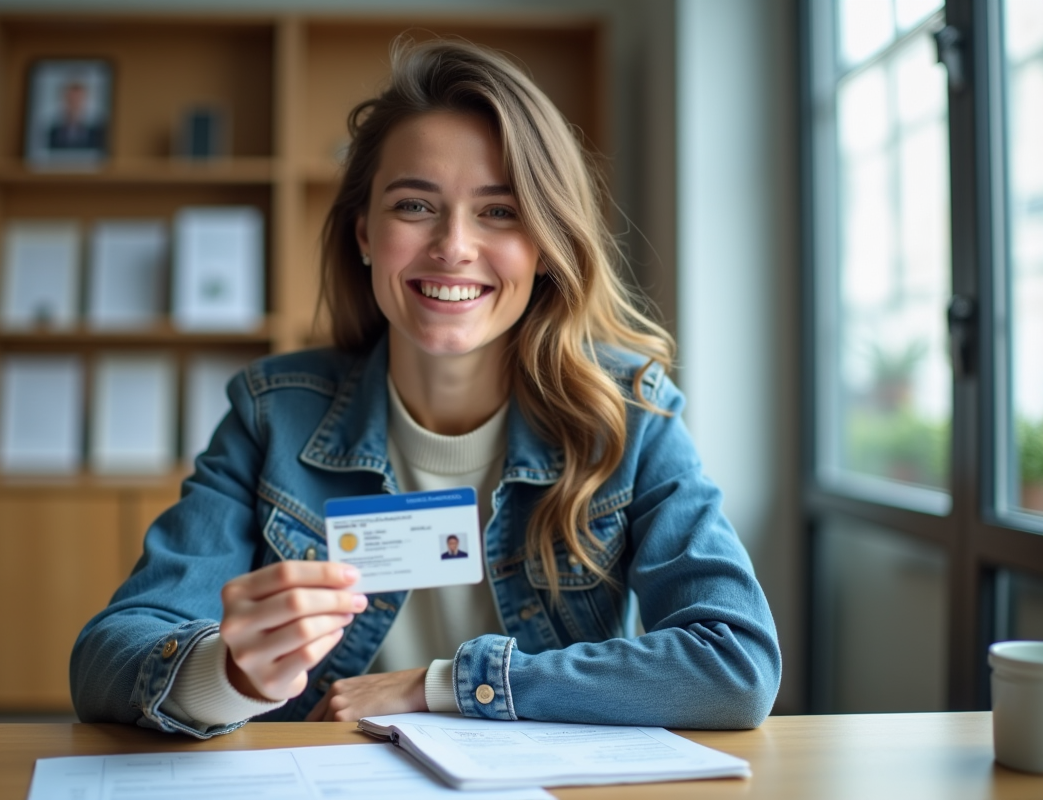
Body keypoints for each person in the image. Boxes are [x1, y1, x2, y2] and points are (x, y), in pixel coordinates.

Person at [71, 38, 781, 738]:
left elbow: (734, 665)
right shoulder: (272, 413)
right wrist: (229, 676)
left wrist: (441, 687)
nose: (453, 246)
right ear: (364, 235)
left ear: (545, 247)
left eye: (499, 211)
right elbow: (108, 656)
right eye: (414, 206)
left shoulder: (628, 414)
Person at [47, 79, 105, 152]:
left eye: (78, 100)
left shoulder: (98, 131)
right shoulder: (52, 132)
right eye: (71, 100)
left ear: (85, 102)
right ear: (64, 101)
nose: (74, 105)